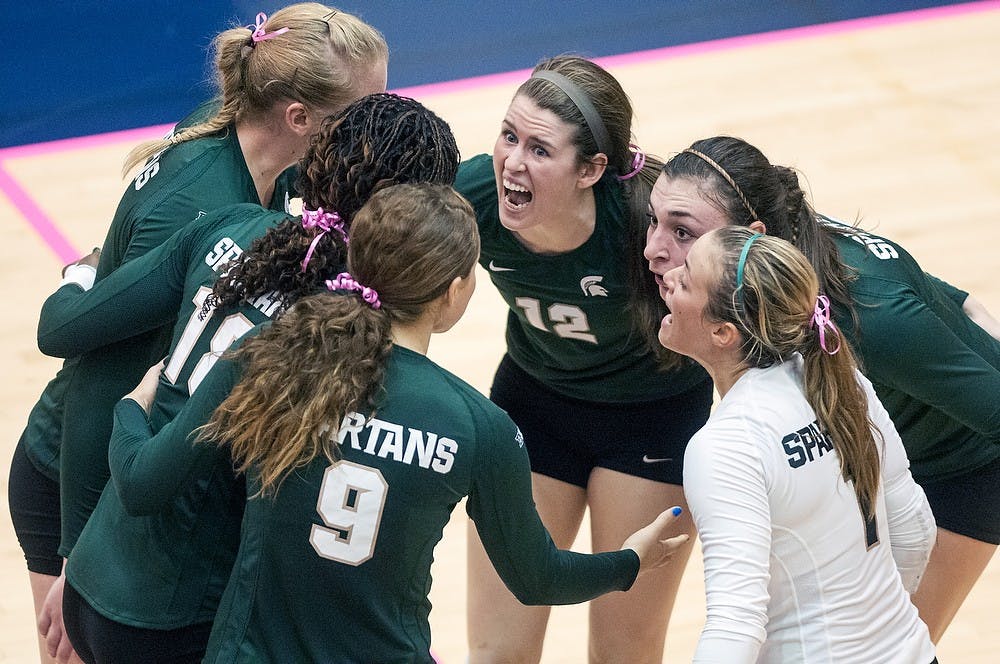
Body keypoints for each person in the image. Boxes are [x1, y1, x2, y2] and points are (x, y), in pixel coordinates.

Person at [103, 182, 691, 663]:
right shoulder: (479, 424)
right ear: (456, 291)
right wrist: (630, 560)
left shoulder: (271, 356)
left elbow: (140, 483)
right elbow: (537, 579)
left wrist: (130, 408)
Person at [11, 6, 387, 662]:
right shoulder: (199, 205)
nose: (376, 122)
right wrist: (80, 561)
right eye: (367, 107)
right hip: (78, 471)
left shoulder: (260, 154)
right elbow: (100, 380)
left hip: (141, 470)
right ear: (299, 117)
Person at [34, 93, 459, 663]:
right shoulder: (345, 328)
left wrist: (76, 554)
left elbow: (89, 361)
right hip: (185, 613)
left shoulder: (233, 227)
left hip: (99, 573)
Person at [644, 135, 1000, 643]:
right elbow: (968, 308)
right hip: (887, 457)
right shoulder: (796, 265)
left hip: (965, 469)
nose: (653, 249)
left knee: (891, 641)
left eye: (681, 232)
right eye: (654, 221)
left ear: (752, 234)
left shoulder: (867, 315)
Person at [453, 55, 711, 663]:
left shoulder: (651, 224)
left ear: (591, 168)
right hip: (533, 406)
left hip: (653, 418)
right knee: (496, 653)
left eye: (540, 150)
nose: (512, 162)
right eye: (509, 136)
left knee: (622, 652)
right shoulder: (474, 196)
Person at [658, 226, 936, 662]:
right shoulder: (844, 384)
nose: (669, 276)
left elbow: (735, 625)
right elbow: (915, 528)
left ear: (723, 333)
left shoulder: (727, 445)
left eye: (687, 278)